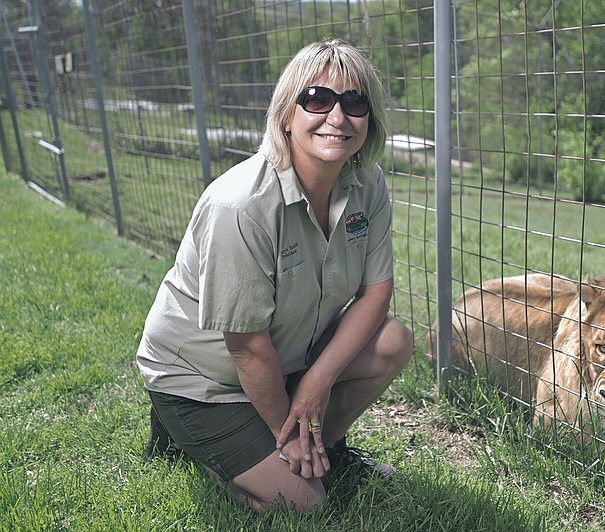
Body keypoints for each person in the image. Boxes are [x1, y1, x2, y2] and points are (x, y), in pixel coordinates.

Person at [136, 37, 414, 513]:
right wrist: (287, 434)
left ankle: (318, 449)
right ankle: (201, 439)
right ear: (287, 114)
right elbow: (245, 346)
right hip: (206, 378)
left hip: (286, 364)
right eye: (317, 100)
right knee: (304, 504)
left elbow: (376, 294)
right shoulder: (240, 205)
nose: (337, 117)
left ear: (370, 120)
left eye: (354, 103)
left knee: (392, 342)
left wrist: (314, 385)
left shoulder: (369, 183)